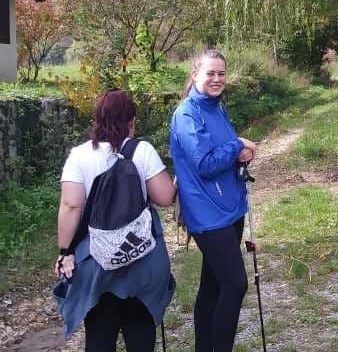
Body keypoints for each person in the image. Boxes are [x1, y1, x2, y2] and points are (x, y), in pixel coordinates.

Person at [54, 89, 176, 352]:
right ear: (131, 121)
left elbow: (71, 205)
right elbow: (165, 197)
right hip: (142, 259)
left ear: (96, 121)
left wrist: (65, 252)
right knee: (141, 334)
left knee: (99, 335)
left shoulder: (79, 155)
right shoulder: (142, 150)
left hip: (96, 265)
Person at [170, 49, 257, 352]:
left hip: (230, 207)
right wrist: (237, 146)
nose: (217, 79)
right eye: (210, 73)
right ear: (195, 75)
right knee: (235, 284)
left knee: (213, 285)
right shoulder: (186, 114)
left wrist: (240, 154)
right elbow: (204, 164)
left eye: (221, 73)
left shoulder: (216, 107)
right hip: (207, 214)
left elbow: (223, 151)